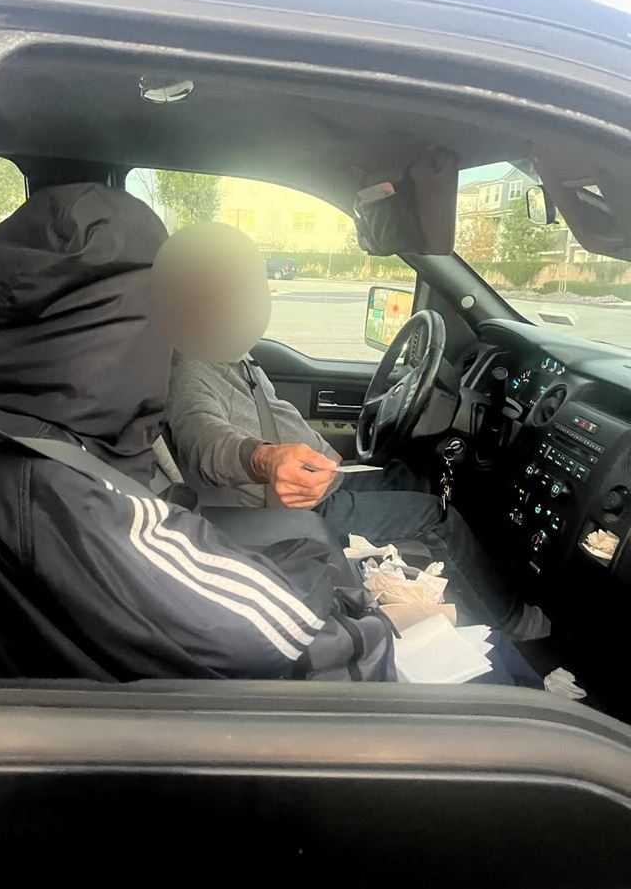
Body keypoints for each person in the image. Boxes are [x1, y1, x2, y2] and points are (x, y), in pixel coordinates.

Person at [0, 184, 396, 683]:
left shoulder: (50, 440)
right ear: (127, 324)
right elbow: (284, 636)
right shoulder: (58, 489)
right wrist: (333, 577)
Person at [154, 221, 549, 640]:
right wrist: (264, 459)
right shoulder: (189, 372)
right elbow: (204, 440)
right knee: (438, 515)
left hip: (325, 480)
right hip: (297, 507)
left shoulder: (231, 354)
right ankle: (510, 621)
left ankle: (474, 587)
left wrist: (318, 451)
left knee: (414, 477)